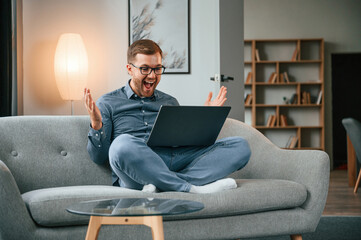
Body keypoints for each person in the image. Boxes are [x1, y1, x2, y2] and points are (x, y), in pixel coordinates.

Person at [84, 39, 251, 194]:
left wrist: (205, 117)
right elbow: (99, 158)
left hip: (174, 161)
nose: (152, 75)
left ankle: (164, 184)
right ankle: (193, 188)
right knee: (121, 144)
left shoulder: (170, 101)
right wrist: (97, 124)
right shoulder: (107, 102)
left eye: (157, 69)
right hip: (137, 169)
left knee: (240, 146)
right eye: (144, 69)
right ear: (130, 69)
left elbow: (185, 144)